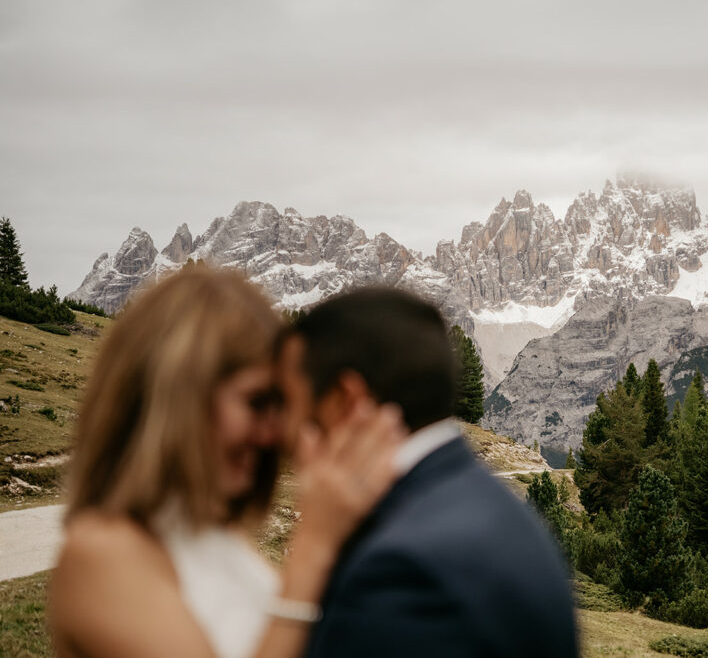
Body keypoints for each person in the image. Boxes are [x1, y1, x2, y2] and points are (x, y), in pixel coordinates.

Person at [49, 268, 404, 658]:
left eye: (280, 406)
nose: (275, 435)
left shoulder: (216, 535)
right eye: (256, 402)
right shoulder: (100, 555)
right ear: (178, 399)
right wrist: (314, 548)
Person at [278, 287, 579, 657]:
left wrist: (310, 550)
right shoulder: (492, 506)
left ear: (347, 398)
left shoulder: (398, 568)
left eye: (291, 401)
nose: (285, 429)